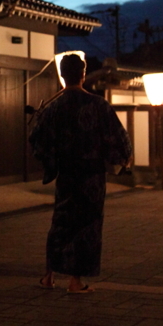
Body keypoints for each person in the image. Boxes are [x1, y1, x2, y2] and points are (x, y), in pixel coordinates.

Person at [29, 53, 132, 294]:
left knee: (61, 222)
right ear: (83, 74)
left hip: (66, 173)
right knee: (87, 226)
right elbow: (119, 138)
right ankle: (75, 281)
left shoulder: (54, 107)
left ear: (62, 76)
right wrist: (122, 159)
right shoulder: (98, 106)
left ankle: (48, 276)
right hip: (91, 176)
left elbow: (37, 138)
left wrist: (51, 163)